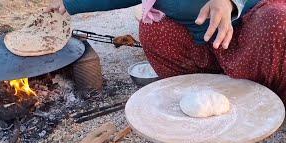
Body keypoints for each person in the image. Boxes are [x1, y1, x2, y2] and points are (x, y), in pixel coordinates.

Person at [47, 0, 286, 103]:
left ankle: (271, 99)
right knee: (153, 29)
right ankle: (205, 93)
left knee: (277, 21)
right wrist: (69, 4)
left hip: (248, 30)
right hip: (204, 43)